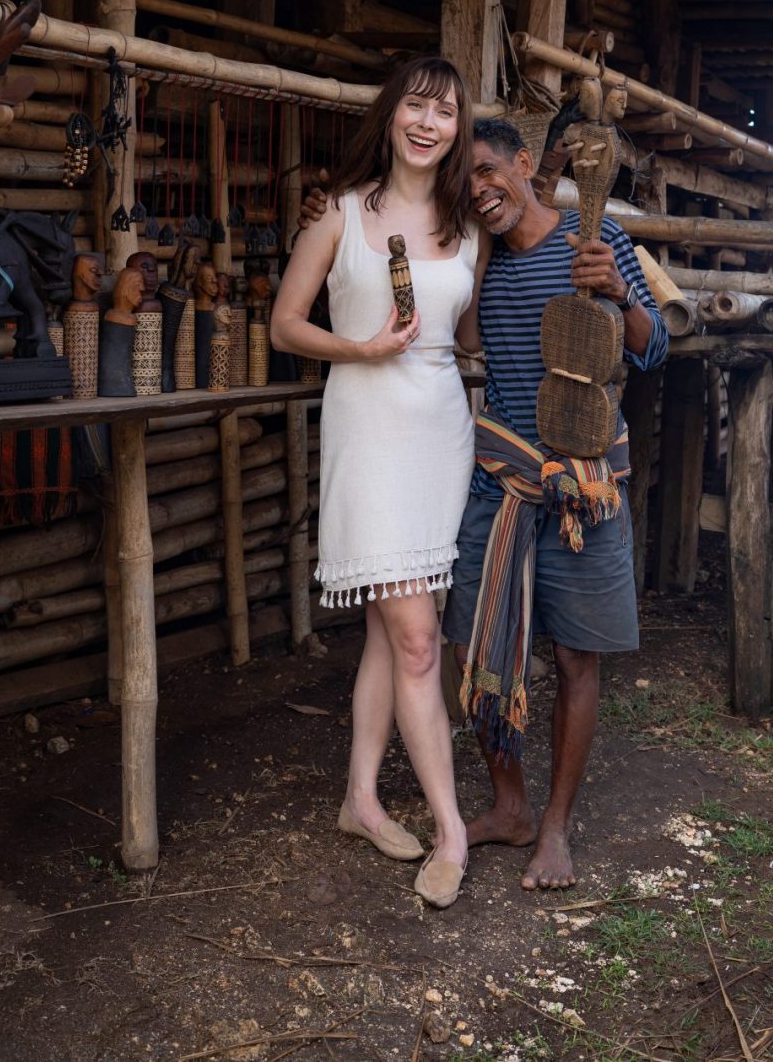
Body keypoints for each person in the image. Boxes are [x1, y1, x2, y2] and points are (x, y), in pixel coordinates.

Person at [272, 57, 481, 909]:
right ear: (392, 116)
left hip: (440, 432)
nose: (429, 124)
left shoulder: (470, 227)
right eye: (417, 108)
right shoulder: (341, 215)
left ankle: (359, 799)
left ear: (459, 130)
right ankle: (453, 830)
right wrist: (358, 348)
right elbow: (285, 325)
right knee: (419, 639)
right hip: (367, 423)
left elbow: (462, 340)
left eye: (447, 112)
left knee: (389, 636)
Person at [443, 117, 668, 890]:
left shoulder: (593, 238)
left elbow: (652, 344)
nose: (478, 189)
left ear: (524, 164)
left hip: (584, 488)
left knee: (576, 657)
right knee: (477, 648)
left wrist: (615, 289)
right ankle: (508, 806)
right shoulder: (485, 262)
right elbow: (469, 341)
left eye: (486, 171)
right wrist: (474, 256)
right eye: (464, 181)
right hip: (502, 484)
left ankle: (556, 828)